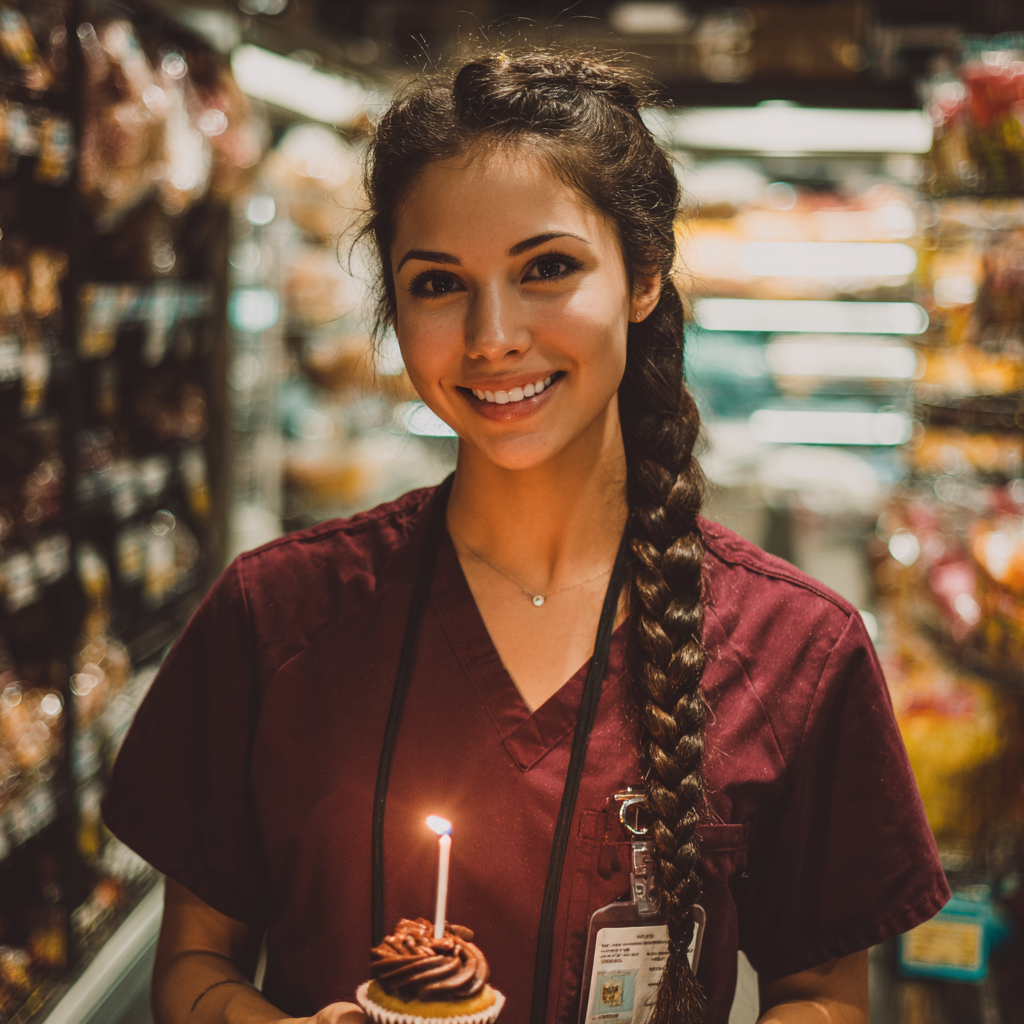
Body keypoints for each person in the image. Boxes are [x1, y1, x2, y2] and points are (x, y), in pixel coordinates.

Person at [102, 49, 949, 1024]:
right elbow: (196, 964)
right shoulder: (275, 616)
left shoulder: (796, 650)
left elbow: (822, 994)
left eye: (546, 268)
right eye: (437, 283)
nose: (491, 335)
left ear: (642, 277)